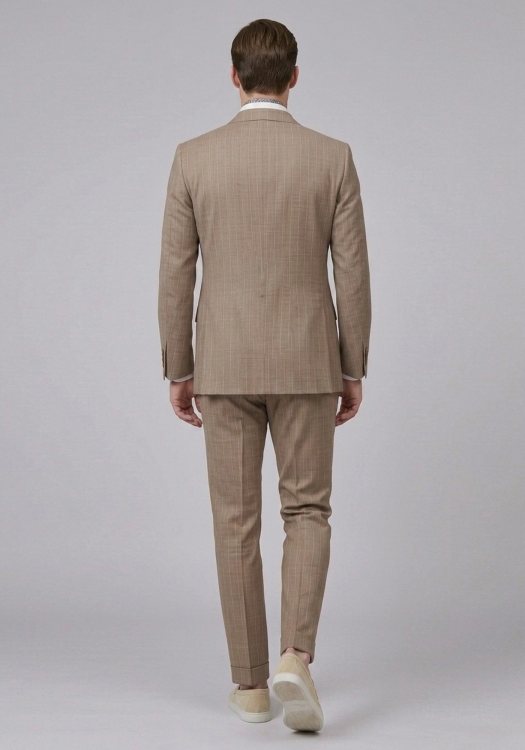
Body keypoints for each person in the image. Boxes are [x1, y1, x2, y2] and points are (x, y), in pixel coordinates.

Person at [158, 18, 371, 732]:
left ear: (234, 76)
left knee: (234, 521)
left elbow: (175, 273)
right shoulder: (332, 158)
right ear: (294, 77)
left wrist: (179, 366)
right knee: (306, 511)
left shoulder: (193, 158)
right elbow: (352, 273)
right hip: (308, 361)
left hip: (222, 363)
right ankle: (295, 657)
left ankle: (250, 687)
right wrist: (351, 364)